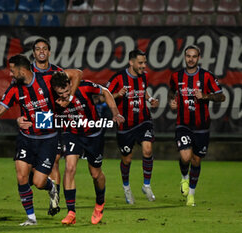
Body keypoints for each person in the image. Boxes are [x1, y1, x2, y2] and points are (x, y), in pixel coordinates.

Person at [0, 54, 82, 226]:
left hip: (48, 139)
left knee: (38, 182)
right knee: (21, 176)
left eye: (13, 71)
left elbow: (77, 73)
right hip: (26, 139)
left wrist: (69, 98)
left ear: (22, 70)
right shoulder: (15, 88)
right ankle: (31, 218)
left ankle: (51, 188)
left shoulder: (48, 78)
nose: (11, 75)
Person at [50, 71, 124, 225]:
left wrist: (115, 113)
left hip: (93, 134)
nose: (63, 96)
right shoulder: (53, 97)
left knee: (96, 174)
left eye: (66, 92)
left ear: (71, 84)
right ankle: (71, 212)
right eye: (60, 93)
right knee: (69, 168)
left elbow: (106, 91)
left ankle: (100, 203)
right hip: (72, 133)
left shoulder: (84, 87)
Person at [168, 45, 225, 206]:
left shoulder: (207, 76)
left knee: (196, 161)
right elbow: (172, 91)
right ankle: (184, 178)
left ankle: (191, 194)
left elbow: (222, 97)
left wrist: (205, 96)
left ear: (198, 58)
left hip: (202, 126)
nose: (191, 59)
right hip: (183, 124)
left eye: (194, 56)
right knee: (186, 157)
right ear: (184, 57)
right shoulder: (176, 76)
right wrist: (172, 101)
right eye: (188, 56)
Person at [106, 49, 159, 205]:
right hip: (125, 126)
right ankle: (127, 188)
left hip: (144, 121)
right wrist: (117, 95)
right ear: (131, 62)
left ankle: (147, 185)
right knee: (127, 160)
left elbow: (143, 91)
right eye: (140, 63)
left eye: (144, 62)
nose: (143, 66)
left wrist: (150, 99)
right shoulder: (118, 78)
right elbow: (104, 95)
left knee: (148, 149)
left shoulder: (145, 76)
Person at [29, 38, 63, 211]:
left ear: (49, 52)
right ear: (33, 53)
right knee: (31, 169)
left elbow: (67, 90)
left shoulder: (58, 73)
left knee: (55, 160)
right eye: (38, 49)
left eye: (44, 48)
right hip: (31, 124)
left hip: (52, 118)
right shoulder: (27, 72)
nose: (41, 51)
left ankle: (54, 200)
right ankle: (47, 185)